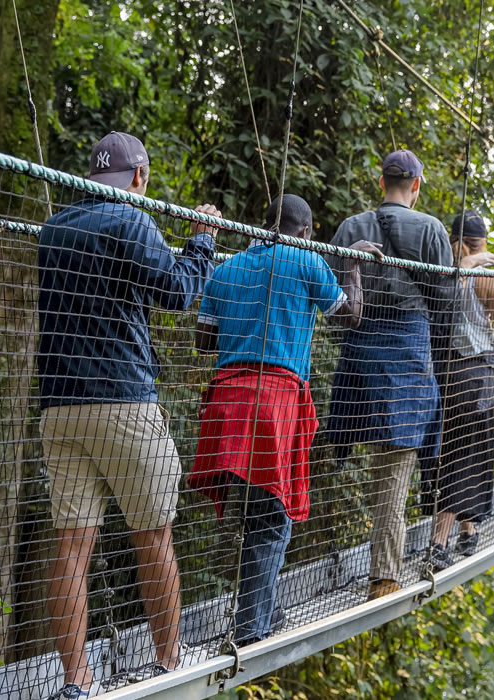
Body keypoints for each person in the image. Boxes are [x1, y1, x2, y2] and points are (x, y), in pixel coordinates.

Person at [37, 131, 221, 699]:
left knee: (71, 545)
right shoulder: (131, 221)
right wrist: (201, 242)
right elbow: (177, 292)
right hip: (124, 402)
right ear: (138, 177)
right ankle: (169, 660)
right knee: (154, 536)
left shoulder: (54, 229)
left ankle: (76, 681)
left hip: (58, 408)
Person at [187, 194, 381, 644]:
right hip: (274, 404)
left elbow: (202, 339)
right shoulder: (305, 259)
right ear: (306, 232)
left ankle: (265, 617)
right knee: (274, 516)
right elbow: (349, 315)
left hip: (228, 403)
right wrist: (352, 267)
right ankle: (251, 630)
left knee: (261, 512)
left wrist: (246, 320)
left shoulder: (228, 267)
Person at [324, 149, 454, 600]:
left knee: (355, 459)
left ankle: (335, 558)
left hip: (358, 357)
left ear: (382, 183)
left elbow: (336, 294)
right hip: (407, 359)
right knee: (394, 470)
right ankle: (384, 576)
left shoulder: (349, 229)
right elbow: (446, 302)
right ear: (416, 186)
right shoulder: (432, 230)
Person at [423, 211, 494, 570]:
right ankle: (440, 542)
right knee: (469, 454)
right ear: (482, 241)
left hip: (442, 374)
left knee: (452, 451)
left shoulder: (438, 270)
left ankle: (468, 530)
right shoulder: (485, 276)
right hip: (479, 376)